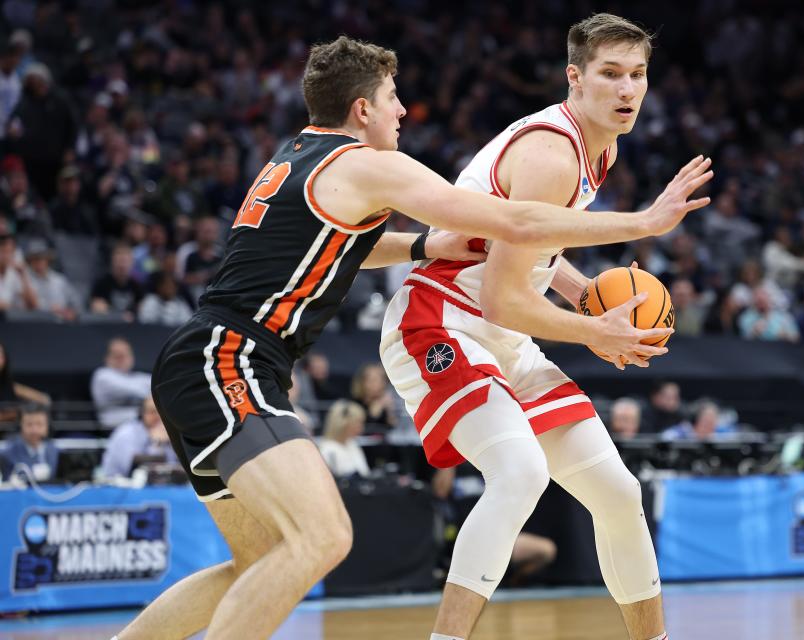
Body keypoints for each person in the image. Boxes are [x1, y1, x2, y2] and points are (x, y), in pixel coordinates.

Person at [117, 34, 710, 640]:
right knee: (328, 535)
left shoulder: (298, 158)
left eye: (637, 75)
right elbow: (517, 222)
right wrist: (644, 222)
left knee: (261, 559)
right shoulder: (381, 164)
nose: (403, 111)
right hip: (241, 356)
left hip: (212, 359)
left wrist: (429, 245)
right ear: (363, 109)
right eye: (393, 98)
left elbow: (348, 244)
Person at [380, 15, 710, 640]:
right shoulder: (552, 153)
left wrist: (586, 296)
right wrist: (597, 332)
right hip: (442, 318)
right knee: (521, 473)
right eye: (610, 74)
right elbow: (503, 298)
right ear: (574, 78)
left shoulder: (599, 146)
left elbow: (536, 253)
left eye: (637, 75)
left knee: (617, 491)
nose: (626, 89)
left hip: (500, 333)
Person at [100, 396, 177, 478]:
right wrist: (156, 444)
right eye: (153, 412)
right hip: (117, 485)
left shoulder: (170, 432)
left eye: (162, 412)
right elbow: (135, 470)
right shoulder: (127, 433)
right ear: (142, 413)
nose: (159, 416)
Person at [1, 404, 58, 482]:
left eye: (39, 424)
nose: (34, 430)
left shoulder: (53, 450)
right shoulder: (8, 452)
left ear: (47, 426)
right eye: (29, 424)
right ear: (21, 425)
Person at [317, 398, 370, 477]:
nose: (361, 428)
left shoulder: (352, 443)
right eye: (358, 423)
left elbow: (365, 473)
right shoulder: (327, 449)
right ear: (344, 424)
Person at [0, 341, 50, 422]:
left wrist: (23, 409)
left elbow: (44, 400)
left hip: (9, 432)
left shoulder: (11, 386)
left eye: (0, 355)